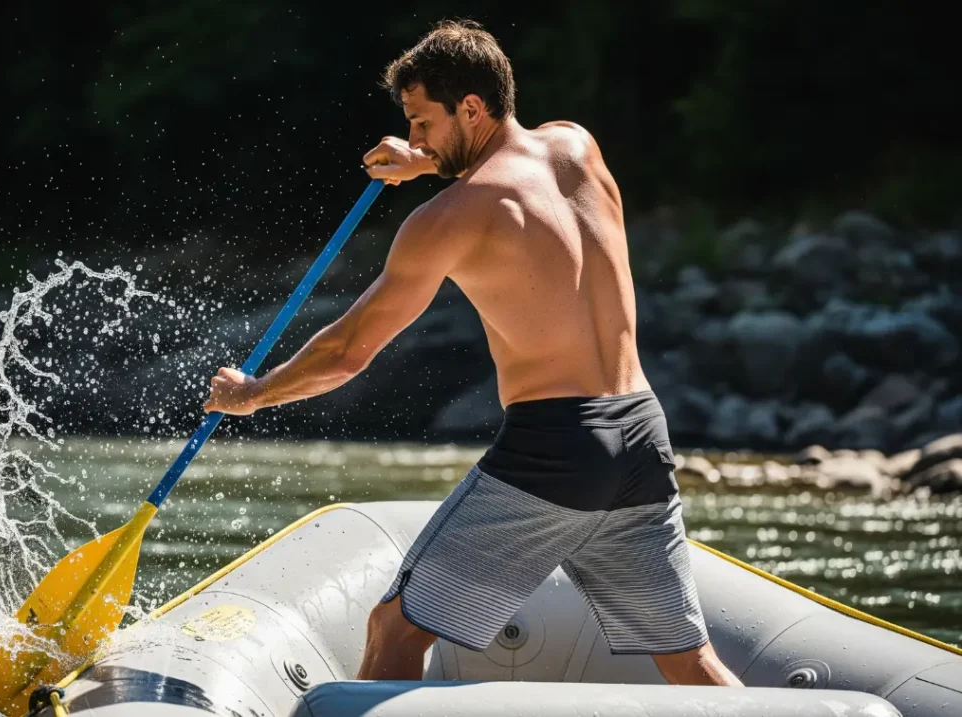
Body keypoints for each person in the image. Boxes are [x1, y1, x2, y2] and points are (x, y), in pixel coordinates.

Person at [203, 19, 742, 687]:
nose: (414, 137)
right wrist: (426, 162)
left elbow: (347, 351)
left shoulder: (447, 220)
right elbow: (516, 171)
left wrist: (254, 392)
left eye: (422, 123)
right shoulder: (577, 147)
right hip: (640, 436)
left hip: (556, 448)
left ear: (471, 107)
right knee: (687, 659)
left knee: (394, 627)